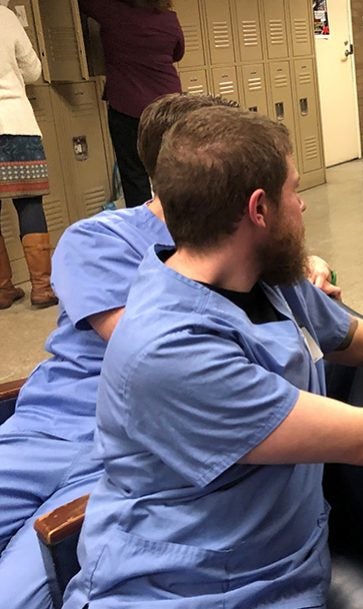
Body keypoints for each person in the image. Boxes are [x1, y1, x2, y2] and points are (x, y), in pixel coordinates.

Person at [61, 106, 363, 608]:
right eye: (294, 191)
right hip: (189, 589)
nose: (302, 207)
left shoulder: (262, 279)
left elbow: (358, 338)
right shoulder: (170, 349)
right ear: (259, 210)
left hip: (282, 566)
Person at [0, 94, 339, 609]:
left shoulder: (251, 252)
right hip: (53, 425)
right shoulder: (100, 239)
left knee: (18, 591)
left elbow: (306, 344)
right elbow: (153, 350)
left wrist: (290, 265)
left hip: (141, 448)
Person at [78, 0, 184, 208]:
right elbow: (177, 52)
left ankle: (144, 231)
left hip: (127, 106)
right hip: (167, 106)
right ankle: (180, 223)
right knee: (172, 167)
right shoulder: (168, 19)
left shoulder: (111, 12)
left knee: (134, 175)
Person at [0, 4, 57, 308]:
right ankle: (42, 288)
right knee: (29, 202)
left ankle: (3, 289)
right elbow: (34, 71)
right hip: (16, 124)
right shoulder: (6, 16)